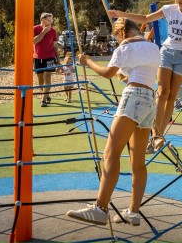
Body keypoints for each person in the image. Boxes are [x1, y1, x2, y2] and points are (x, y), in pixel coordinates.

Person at [66, 17, 160, 226]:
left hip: (133, 97)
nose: (118, 41)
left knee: (111, 153)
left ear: (121, 33)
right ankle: (133, 211)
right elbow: (142, 73)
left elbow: (108, 73)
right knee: (138, 162)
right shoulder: (153, 47)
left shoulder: (124, 48)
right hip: (149, 100)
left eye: (116, 37)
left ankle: (100, 208)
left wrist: (87, 61)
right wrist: (126, 75)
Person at [109, 0, 182, 153]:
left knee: (172, 96)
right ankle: (155, 133)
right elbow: (145, 18)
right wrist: (122, 14)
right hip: (167, 52)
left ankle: (159, 135)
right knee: (162, 92)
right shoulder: (169, 9)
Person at [33, 12, 60, 107]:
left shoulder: (53, 31)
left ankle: (43, 100)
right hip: (38, 57)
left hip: (50, 57)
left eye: (51, 20)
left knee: (47, 78)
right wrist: (44, 32)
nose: (51, 21)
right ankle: (47, 95)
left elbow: (55, 46)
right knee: (40, 80)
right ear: (43, 20)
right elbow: (34, 41)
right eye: (49, 20)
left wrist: (58, 61)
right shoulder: (35, 29)